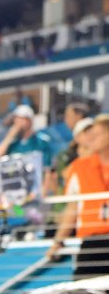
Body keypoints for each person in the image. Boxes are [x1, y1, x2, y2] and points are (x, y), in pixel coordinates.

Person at [46, 114, 109, 279]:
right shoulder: (79, 168)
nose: (92, 138)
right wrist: (58, 241)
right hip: (92, 242)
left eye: (98, 134)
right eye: (91, 134)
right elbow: (72, 208)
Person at [0, 104, 53, 168]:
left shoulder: (41, 141)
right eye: (16, 119)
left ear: (29, 121)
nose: (17, 122)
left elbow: (46, 165)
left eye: (21, 119)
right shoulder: (13, 144)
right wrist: (10, 136)